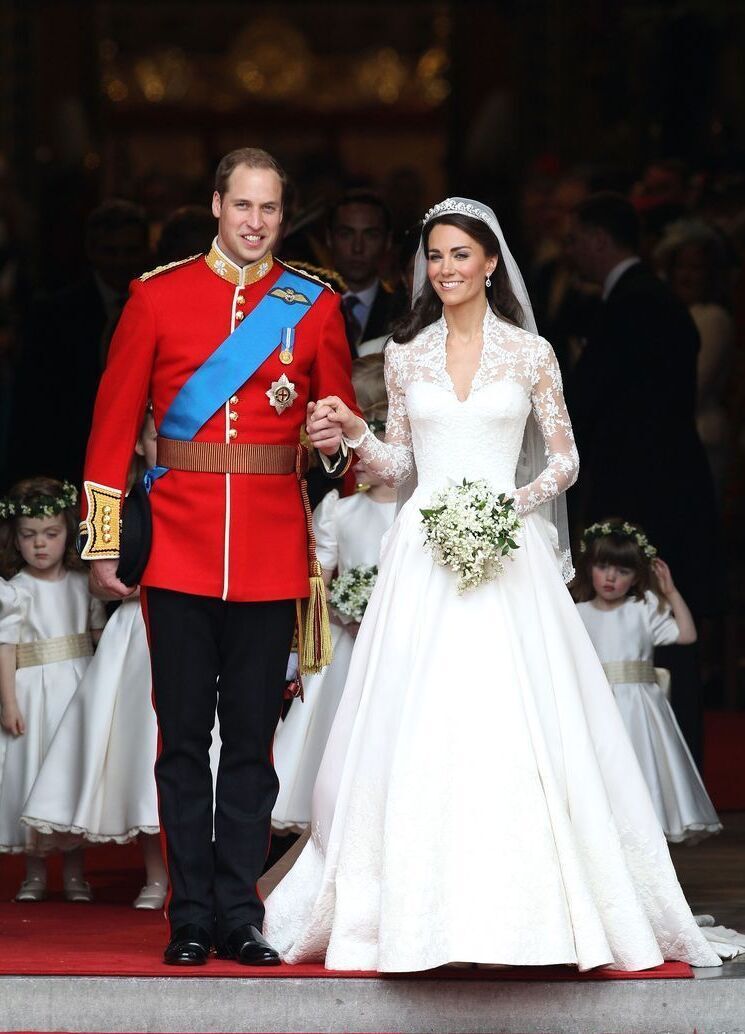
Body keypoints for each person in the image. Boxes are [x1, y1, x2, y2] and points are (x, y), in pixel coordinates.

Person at [263, 197, 728, 973]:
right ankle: (410, 911)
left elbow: (565, 461)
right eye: (434, 257)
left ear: (488, 263)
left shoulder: (529, 354)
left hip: (505, 550)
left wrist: (502, 509)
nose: (444, 269)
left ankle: (530, 913)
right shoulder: (406, 354)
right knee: (417, 721)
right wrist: (353, 437)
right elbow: (398, 466)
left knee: (514, 718)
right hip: (423, 556)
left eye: (459, 255)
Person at [80, 147, 358, 967]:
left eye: (269, 209)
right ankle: (189, 914)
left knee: (250, 744)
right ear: (215, 205)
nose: (254, 222)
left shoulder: (312, 305)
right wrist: (104, 543)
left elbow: (339, 444)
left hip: (271, 549)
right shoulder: (156, 297)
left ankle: (240, 911)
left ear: (283, 215)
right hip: (177, 550)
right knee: (179, 741)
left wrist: (333, 440)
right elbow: (110, 428)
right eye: (242, 206)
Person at [566, 192, 721, 767]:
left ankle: (659, 769)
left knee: (653, 623)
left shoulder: (632, 306)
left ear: (601, 240)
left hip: (643, 493)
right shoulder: (652, 301)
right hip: (668, 486)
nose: (572, 251)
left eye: (578, 238)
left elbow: (596, 402)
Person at [20, 411, 170, 909]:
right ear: (140, 445)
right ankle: (154, 876)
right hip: (136, 633)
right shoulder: (119, 505)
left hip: (195, 628)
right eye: (158, 435)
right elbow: (95, 576)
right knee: (138, 750)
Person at [272, 356, 397, 834]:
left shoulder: (414, 512)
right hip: (347, 638)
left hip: (395, 636)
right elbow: (319, 573)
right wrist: (343, 604)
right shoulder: (340, 510)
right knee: (334, 723)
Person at [572, 520, 721, 844]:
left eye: (622, 571)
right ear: (589, 568)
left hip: (640, 707)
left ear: (638, 576)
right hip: (597, 704)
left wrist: (670, 591)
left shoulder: (644, 607)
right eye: (602, 566)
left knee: (642, 768)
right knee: (604, 769)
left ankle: (643, 842)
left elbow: (687, 634)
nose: (611, 577)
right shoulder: (577, 613)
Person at [0, 477, 106, 900]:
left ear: (69, 533)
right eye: (29, 536)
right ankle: (35, 873)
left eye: (51, 534)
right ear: (16, 538)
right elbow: (5, 650)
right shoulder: (13, 592)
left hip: (77, 690)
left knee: (72, 775)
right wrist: (8, 702)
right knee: (34, 773)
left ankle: (76, 872)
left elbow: (101, 641)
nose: (40, 545)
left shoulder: (85, 584)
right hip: (31, 693)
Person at [8, 201, 151, 486]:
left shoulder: (165, 308)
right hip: (71, 468)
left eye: (130, 251)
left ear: (147, 251)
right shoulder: (53, 316)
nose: (121, 261)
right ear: (91, 251)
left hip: (145, 471)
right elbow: (32, 409)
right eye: (110, 251)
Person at [654, 219, 735, 499]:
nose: (687, 276)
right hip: (670, 436)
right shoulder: (671, 314)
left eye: (696, 268)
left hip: (700, 437)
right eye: (681, 267)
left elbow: (695, 385)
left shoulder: (713, 318)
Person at [327, 190, 407, 356]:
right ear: (329, 239)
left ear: (388, 241)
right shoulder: (307, 303)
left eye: (371, 235)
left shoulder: (404, 310)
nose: (358, 248)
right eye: (346, 234)